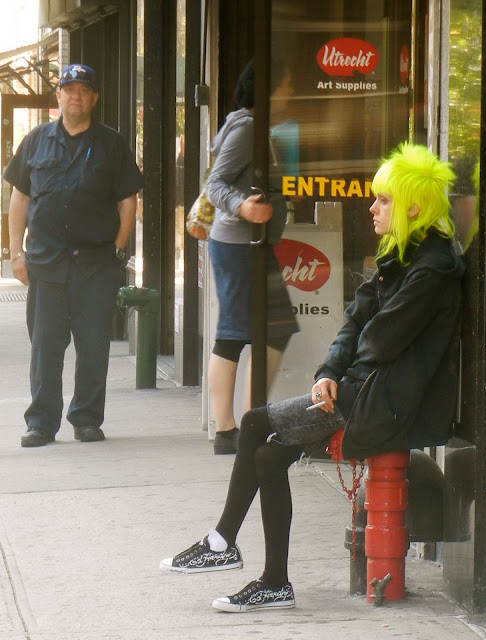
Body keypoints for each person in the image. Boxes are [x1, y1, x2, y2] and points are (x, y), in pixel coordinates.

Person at [160, 142, 465, 613]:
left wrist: (337, 380)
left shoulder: (433, 269)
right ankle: (272, 582)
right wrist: (327, 372)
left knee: (255, 423)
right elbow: (355, 321)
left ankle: (222, 543)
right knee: (268, 455)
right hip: (366, 389)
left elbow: (380, 339)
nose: (372, 207)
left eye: (383, 200)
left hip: (387, 404)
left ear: (413, 208)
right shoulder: (401, 254)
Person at [2, 63, 143, 448]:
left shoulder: (112, 143)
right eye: (69, 89)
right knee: (45, 346)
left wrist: (117, 249)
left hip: (95, 265)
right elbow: (19, 198)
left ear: (93, 98)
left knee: (93, 345)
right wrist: (16, 254)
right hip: (46, 264)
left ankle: (87, 419)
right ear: (59, 96)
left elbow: (128, 201)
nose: (76, 96)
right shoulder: (36, 141)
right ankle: (41, 423)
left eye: (83, 90)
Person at [205, 60, 298, 455]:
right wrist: (243, 206)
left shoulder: (256, 126)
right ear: (269, 90)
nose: (291, 92)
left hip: (249, 245)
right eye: (286, 84)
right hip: (238, 245)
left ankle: (245, 425)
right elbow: (215, 183)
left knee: (272, 328)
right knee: (233, 333)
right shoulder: (247, 128)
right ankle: (231, 429)